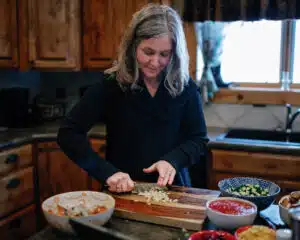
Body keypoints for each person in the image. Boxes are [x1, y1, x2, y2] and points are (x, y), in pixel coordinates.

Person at [57, 3, 208, 193]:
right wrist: (106, 173)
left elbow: (198, 139)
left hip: (174, 190)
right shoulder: (112, 85)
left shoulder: (184, 87)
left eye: (164, 54)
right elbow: (68, 133)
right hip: (123, 191)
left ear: (175, 53)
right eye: (148, 52)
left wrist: (172, 160)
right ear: (133, 46)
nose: (155, 62)